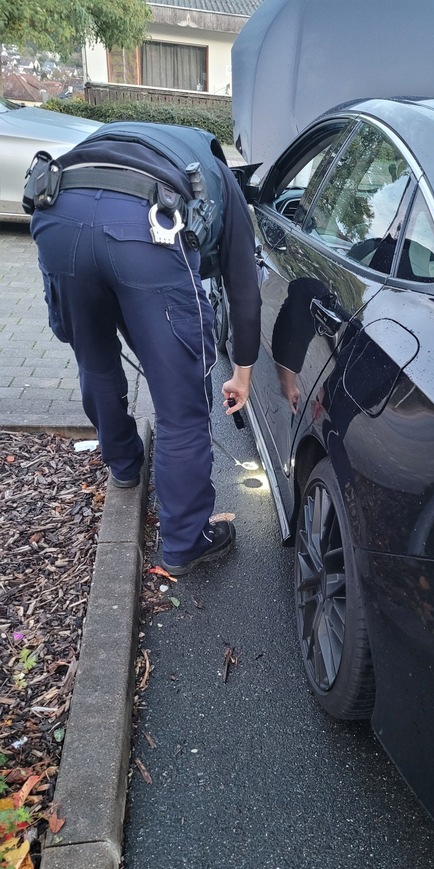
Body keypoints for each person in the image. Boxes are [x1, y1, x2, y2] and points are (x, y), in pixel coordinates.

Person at [24, 122, 261, 576]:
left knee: (94, 361)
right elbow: (244, 290)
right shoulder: (221, 179)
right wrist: (243, 372)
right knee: (182, 406)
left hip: (58, 210)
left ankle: (125, 464)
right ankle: (186, 542)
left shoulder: (123, 136)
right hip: (146, 227)